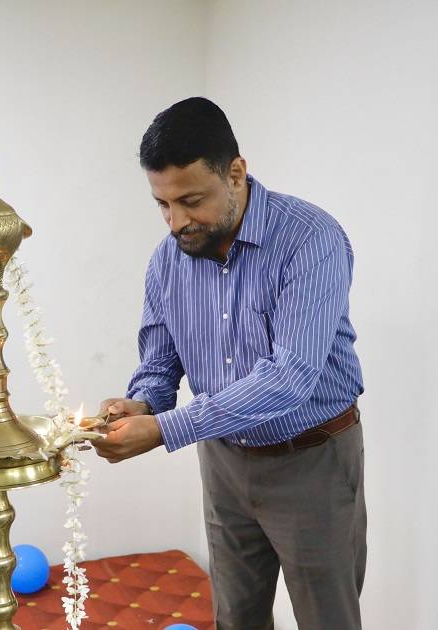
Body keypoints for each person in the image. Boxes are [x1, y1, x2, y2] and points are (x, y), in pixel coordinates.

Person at [93, 97, 366, 630]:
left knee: (326, 618)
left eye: (191, 200)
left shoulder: (310, 239)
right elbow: (160, 362)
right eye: (162, 205)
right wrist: (141, 401)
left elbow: (291, 377)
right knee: (235, 618)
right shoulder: (168, 260)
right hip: (223, 462)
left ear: (236, 173)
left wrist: (165, 427)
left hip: (312, 462)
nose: (176, 222)